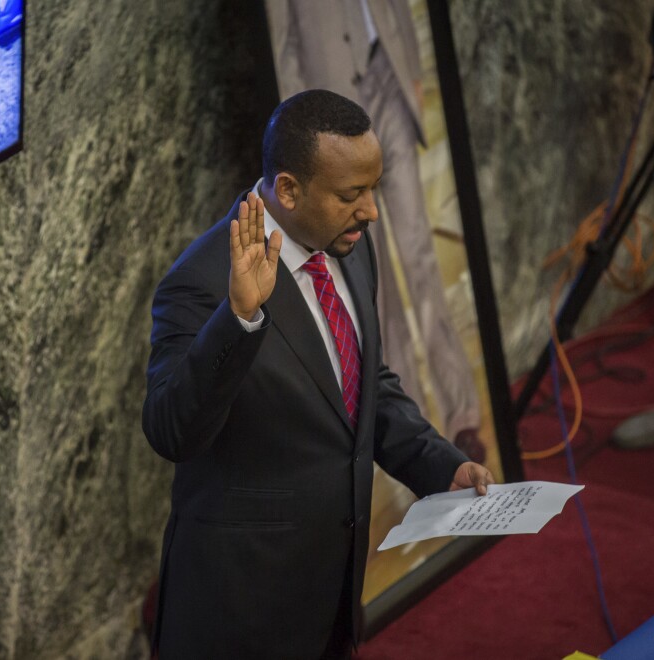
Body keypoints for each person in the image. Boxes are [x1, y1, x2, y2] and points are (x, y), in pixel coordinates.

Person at [142, 90, 493, 660]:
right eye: (351, 195)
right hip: (241, 614)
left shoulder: (350, 245)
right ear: (287, 189)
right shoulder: (200, 283)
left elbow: (364, 387)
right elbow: (170, 431)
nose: (371, 211)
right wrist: (240, 319)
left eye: (372, 189)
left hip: (334, 594)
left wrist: (439, 465)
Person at [265, 0, 485, 461]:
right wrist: (303, 139)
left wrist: (410, 65)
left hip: (388, 79)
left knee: (419, 253)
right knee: (373, 283)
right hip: (329, 122)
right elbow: (282, 42)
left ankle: (463, 414)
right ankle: (413, 435)